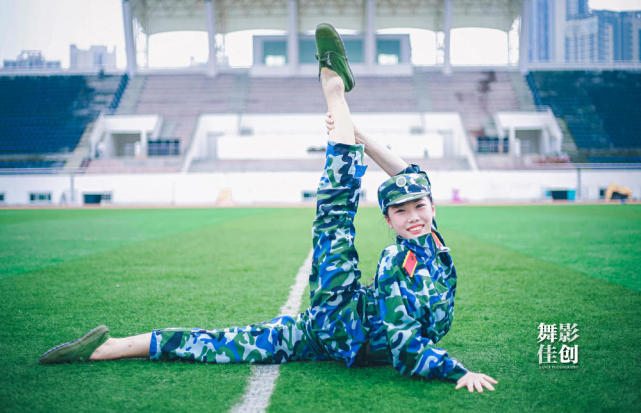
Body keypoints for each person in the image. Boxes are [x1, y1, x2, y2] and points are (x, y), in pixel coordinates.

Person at [40, 23, 497, 393]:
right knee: (334, 215)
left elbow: (408, 175)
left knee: (229, 343)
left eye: (420, 206)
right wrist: (457, 371)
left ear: (433, 205)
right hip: (340, 320)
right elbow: (407, 349)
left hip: (333, 332)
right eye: (402, 212)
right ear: (388, 220)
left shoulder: (431, 236)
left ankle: (109, 347)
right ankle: (333, 90)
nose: (413, 216)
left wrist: (357, 133)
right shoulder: (402, 256)